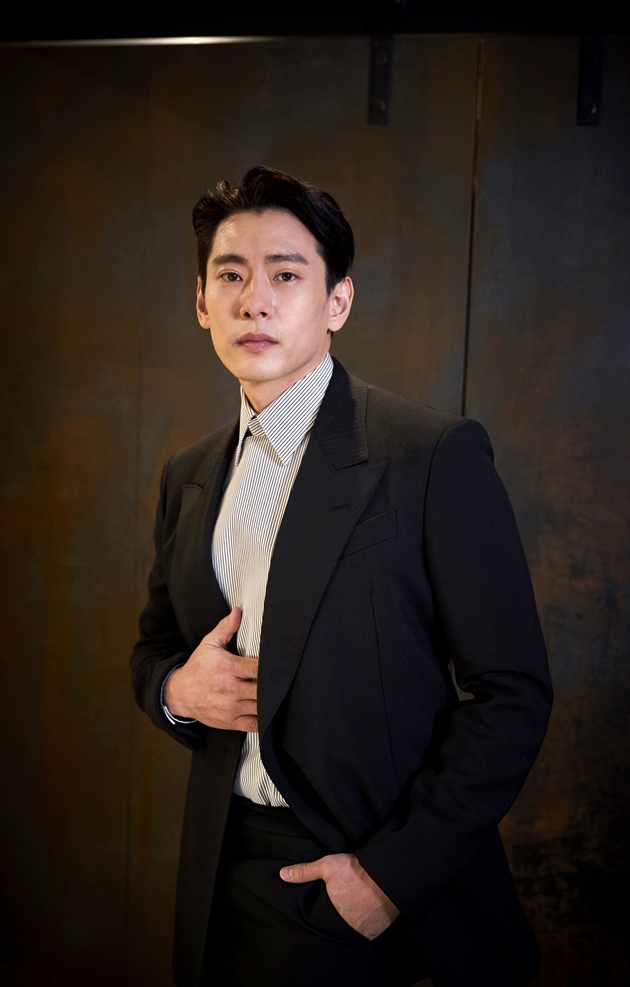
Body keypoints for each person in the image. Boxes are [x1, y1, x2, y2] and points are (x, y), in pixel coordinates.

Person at [131, 166, 553, 987]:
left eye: (286, 275)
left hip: (365, 875)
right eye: (231, 276)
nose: (255, 301)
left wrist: (388, 877)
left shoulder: (430, 454)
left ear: (338, 302)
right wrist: (177, 691)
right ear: (201, 302)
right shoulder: (188, 474)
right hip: (218, 868)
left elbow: (513, 694)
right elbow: (153, 650)